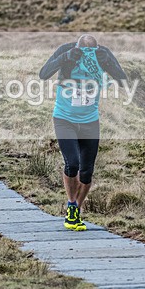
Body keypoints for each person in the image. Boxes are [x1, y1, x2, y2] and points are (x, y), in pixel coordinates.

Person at [39, 34, 127, 231]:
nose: (88, 57)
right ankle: (71, 204)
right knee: (72, 164)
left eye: (91, 54)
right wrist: (67, 57)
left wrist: (107, 64)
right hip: (64, 119)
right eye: (83, 53)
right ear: (76, 47)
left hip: (89, 122)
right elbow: (43, 74)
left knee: (87, 172)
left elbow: (122, 79)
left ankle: (76, 211)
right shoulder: (66, 50)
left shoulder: (102, 55)